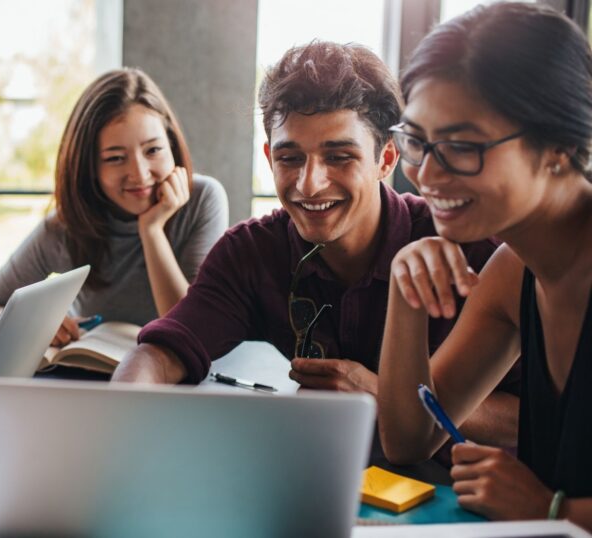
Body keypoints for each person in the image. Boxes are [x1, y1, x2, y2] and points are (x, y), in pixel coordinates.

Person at [112, 41, 518, 449]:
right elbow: (159, 355)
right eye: (290, 159)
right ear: (270, 157)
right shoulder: (250, 251)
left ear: (387, 159)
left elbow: (535, 422)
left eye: (339, 157)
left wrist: (381, 395)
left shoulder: (472, 249)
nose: (309, 184)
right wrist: (118, 426)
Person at [376, 3, 592, 528]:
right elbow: (408, 440)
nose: (425, 174)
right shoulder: (513, 272)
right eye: (417, 142)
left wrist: (550, 510)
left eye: (459, 146)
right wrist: (405, 293)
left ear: (560, 147)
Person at [0, 68, 228, 346]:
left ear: (171, 145)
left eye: (153, 150)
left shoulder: (203, 199)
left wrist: (151, 230)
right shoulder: (66, 228)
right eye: (115, 158)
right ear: (89, 167)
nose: (139, 174)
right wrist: (31, 325)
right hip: (91, 379)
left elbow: (188, 328)